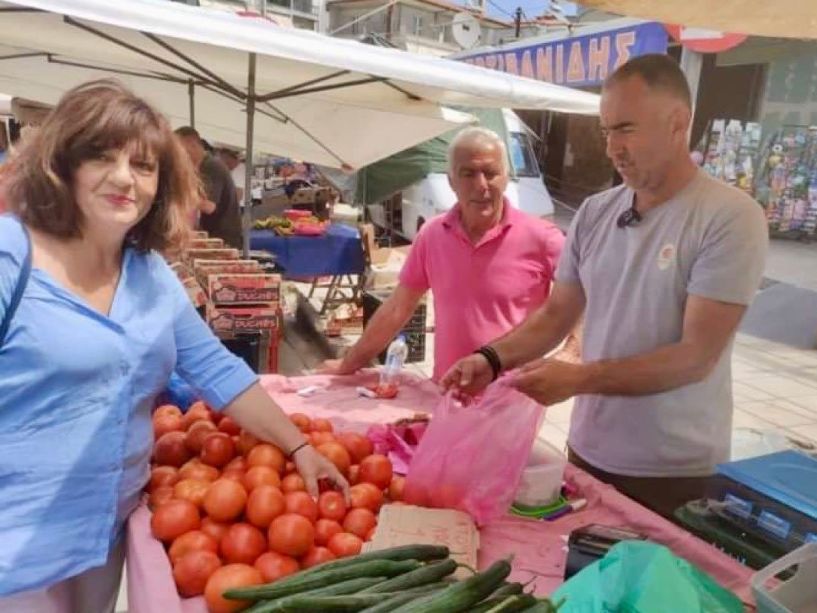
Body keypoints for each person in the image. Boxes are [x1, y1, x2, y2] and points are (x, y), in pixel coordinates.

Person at [0, 80, 347, 610]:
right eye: (102, 157)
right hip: (16, 542)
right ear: (63, 164)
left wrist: (298, 446)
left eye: (144, 166)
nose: (124, 179)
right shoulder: (11, 255)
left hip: (106, 534)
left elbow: (216, 369)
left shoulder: (149, 274)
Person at [442, 54, 769, 514]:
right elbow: (557, 315)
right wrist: (490, 359)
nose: (613, 147)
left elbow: (695, 357)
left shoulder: (729, 217)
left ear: (678, 123)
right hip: (589, 451)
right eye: (606, 130)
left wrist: (578, 378)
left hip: (674, 472)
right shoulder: (596, 213)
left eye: (627, 128)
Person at [322, 126, 567, 382]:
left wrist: (569, 356)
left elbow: (586, 298)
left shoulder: (543, 238)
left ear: (506, 178)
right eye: (468, 174)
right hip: (448, 391)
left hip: (512, 400)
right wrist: (348, 363)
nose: (481, 185)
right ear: (451, 181)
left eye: (491, 173)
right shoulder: (433, 234)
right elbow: (397, 308)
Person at [175, 126, 243, 248]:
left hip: (224, 238)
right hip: (214, 235)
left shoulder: (211, 166)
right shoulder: (201, 166)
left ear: (192, 144)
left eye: (179, 148)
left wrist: (178, 194)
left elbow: (209, 207)